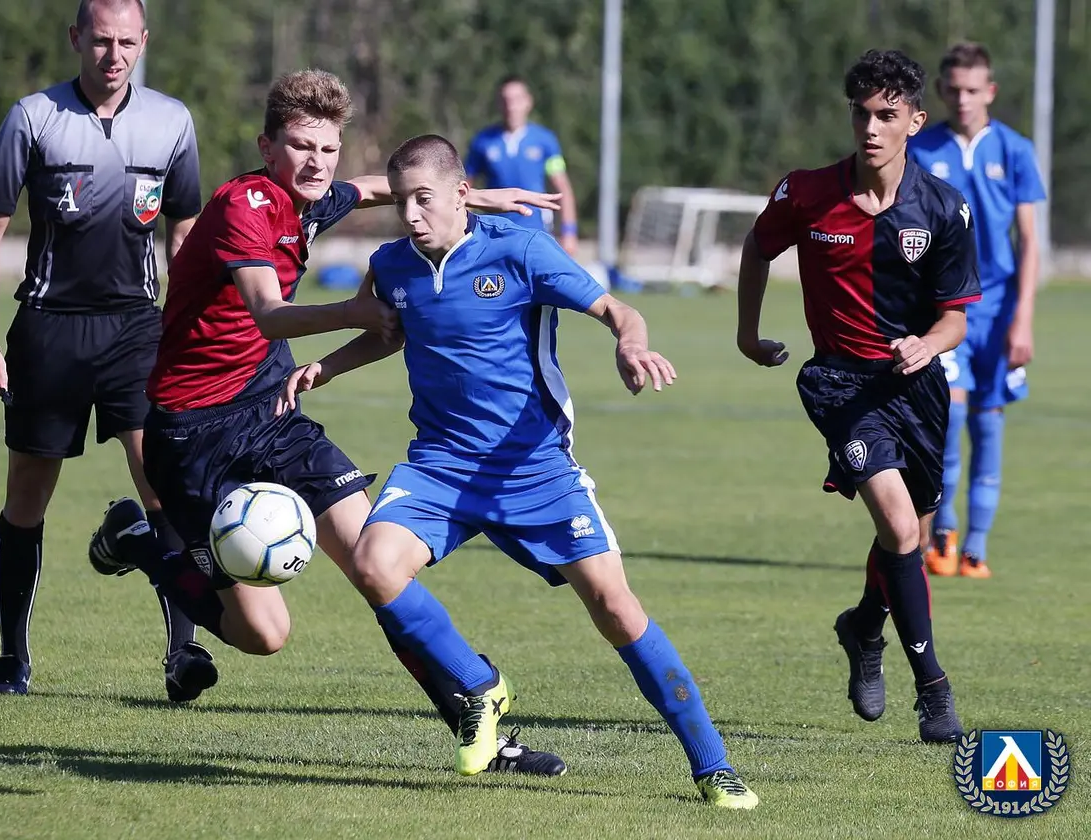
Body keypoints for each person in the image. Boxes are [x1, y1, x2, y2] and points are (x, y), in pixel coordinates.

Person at [87, 69, 568, 775]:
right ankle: (142, 543)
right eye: (301, 146)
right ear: (267, 147)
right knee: (264, 634)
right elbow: (268, 314)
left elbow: (369, 188)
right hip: (192, 435)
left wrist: (474, 197)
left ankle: (481, 724)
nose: (317, 163)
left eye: (328, 148)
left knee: (378, 564)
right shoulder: (244, 205)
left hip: (271, 411)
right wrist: (356, 312)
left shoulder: (310, 197)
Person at [280, 134, 760, 808]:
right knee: (374, 564)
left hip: (535, 469)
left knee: (616, 609)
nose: (411, 214)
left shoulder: (520, 249)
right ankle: (479, 686)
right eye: (403, 202)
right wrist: (325, 368)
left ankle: (713, 766)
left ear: (461, 194)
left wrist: (630, 345)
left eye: (424, 199)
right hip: (441, 464)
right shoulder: (390, 265)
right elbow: (388, 333)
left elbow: (618, 309)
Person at [0, 0, 208, 700]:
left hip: (137, 328)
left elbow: (184, 230)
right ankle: (12, 660)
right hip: (49, 330)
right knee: (27, 496)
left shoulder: (172, 121)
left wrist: (189, 328)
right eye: (101, 40)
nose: (114, 55)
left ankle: (183, 654)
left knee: (163, 483)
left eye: (127, 42)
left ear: (144, 42)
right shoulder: (33, 117)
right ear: (77, 38)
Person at [736, 50, 976, 744]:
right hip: (840, 384)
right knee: (900, 528)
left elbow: (955, 317)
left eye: (886, 115)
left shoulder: (942, 207)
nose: (871, 127)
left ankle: (864, 626)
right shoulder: (807, 193)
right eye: (862, 114)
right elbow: (758, 248)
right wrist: (748, 334)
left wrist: (927, 344)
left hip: (917, 387)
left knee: (912, 535)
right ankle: (934, 692)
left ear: (915, 122)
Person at [908, 43, 1046, 579]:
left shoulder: (1014, 150)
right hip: (946, 308)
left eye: (973, 90)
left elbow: (1029, 241)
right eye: (954, 89)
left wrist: (1023, 318)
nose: (962, 99)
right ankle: (942, 535)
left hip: (1000, 309)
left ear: (989, 91)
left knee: (989, 424)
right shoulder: (922, 148)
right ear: (942, 91)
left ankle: (977, 547)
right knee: (950, 419)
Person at [465, 76, 580, 256]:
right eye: (505, 100)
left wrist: (569, 231)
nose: (511, 106)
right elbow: (465, 189)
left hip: (536, 232)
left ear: (528, 102)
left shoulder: (545, 140)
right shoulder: (483, 141)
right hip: (495, 234)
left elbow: (562, 187)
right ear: (498, 104)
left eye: (517, 99)